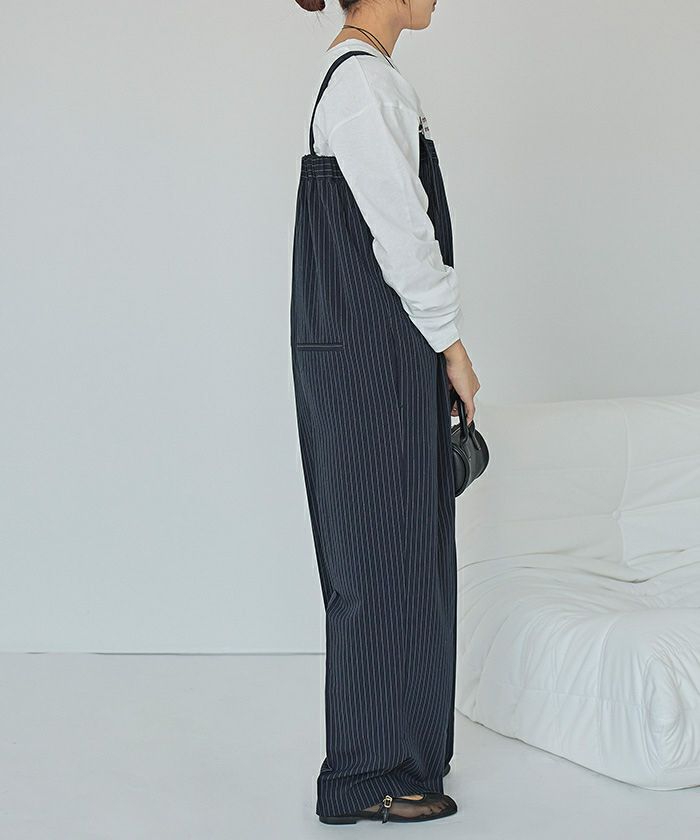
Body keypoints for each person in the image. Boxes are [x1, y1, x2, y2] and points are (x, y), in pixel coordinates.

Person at [290, 0, 480, 825]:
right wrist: (453, 346)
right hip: (373, 354)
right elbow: (404, 235)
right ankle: (369, 774)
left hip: (375, 349)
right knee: (379, 557)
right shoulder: (362, 85)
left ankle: (408, 755)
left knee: (398, 551)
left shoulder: (369, 77)